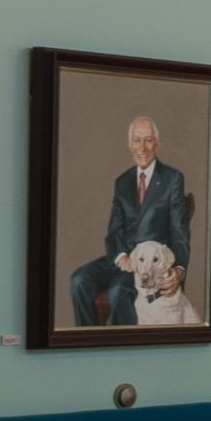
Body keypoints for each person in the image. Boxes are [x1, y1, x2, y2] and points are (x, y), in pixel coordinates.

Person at [73, 112, 198, 328]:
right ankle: (87, 341)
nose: (142, 147)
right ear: (130, 144)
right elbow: (114, 231)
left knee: (118, 291)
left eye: (148, 140)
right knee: (79, 280)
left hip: (150, 263)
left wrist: (179, 269)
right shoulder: (122, 182)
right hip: (123, 257)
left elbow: (180, 231)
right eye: (137, 140)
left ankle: (123, 348)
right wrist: (121, 257)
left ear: (157, 144)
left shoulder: (172, 179)